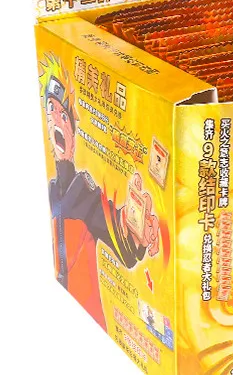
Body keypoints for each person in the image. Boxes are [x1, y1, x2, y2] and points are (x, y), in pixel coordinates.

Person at [39, 53, 159, 331]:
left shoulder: (86, 194)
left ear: (73, 131)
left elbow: (124, 244)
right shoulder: (53, 189)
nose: (55, 119)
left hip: (90, 323)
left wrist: (137, 232)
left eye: (62, 114)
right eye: (49, 111)